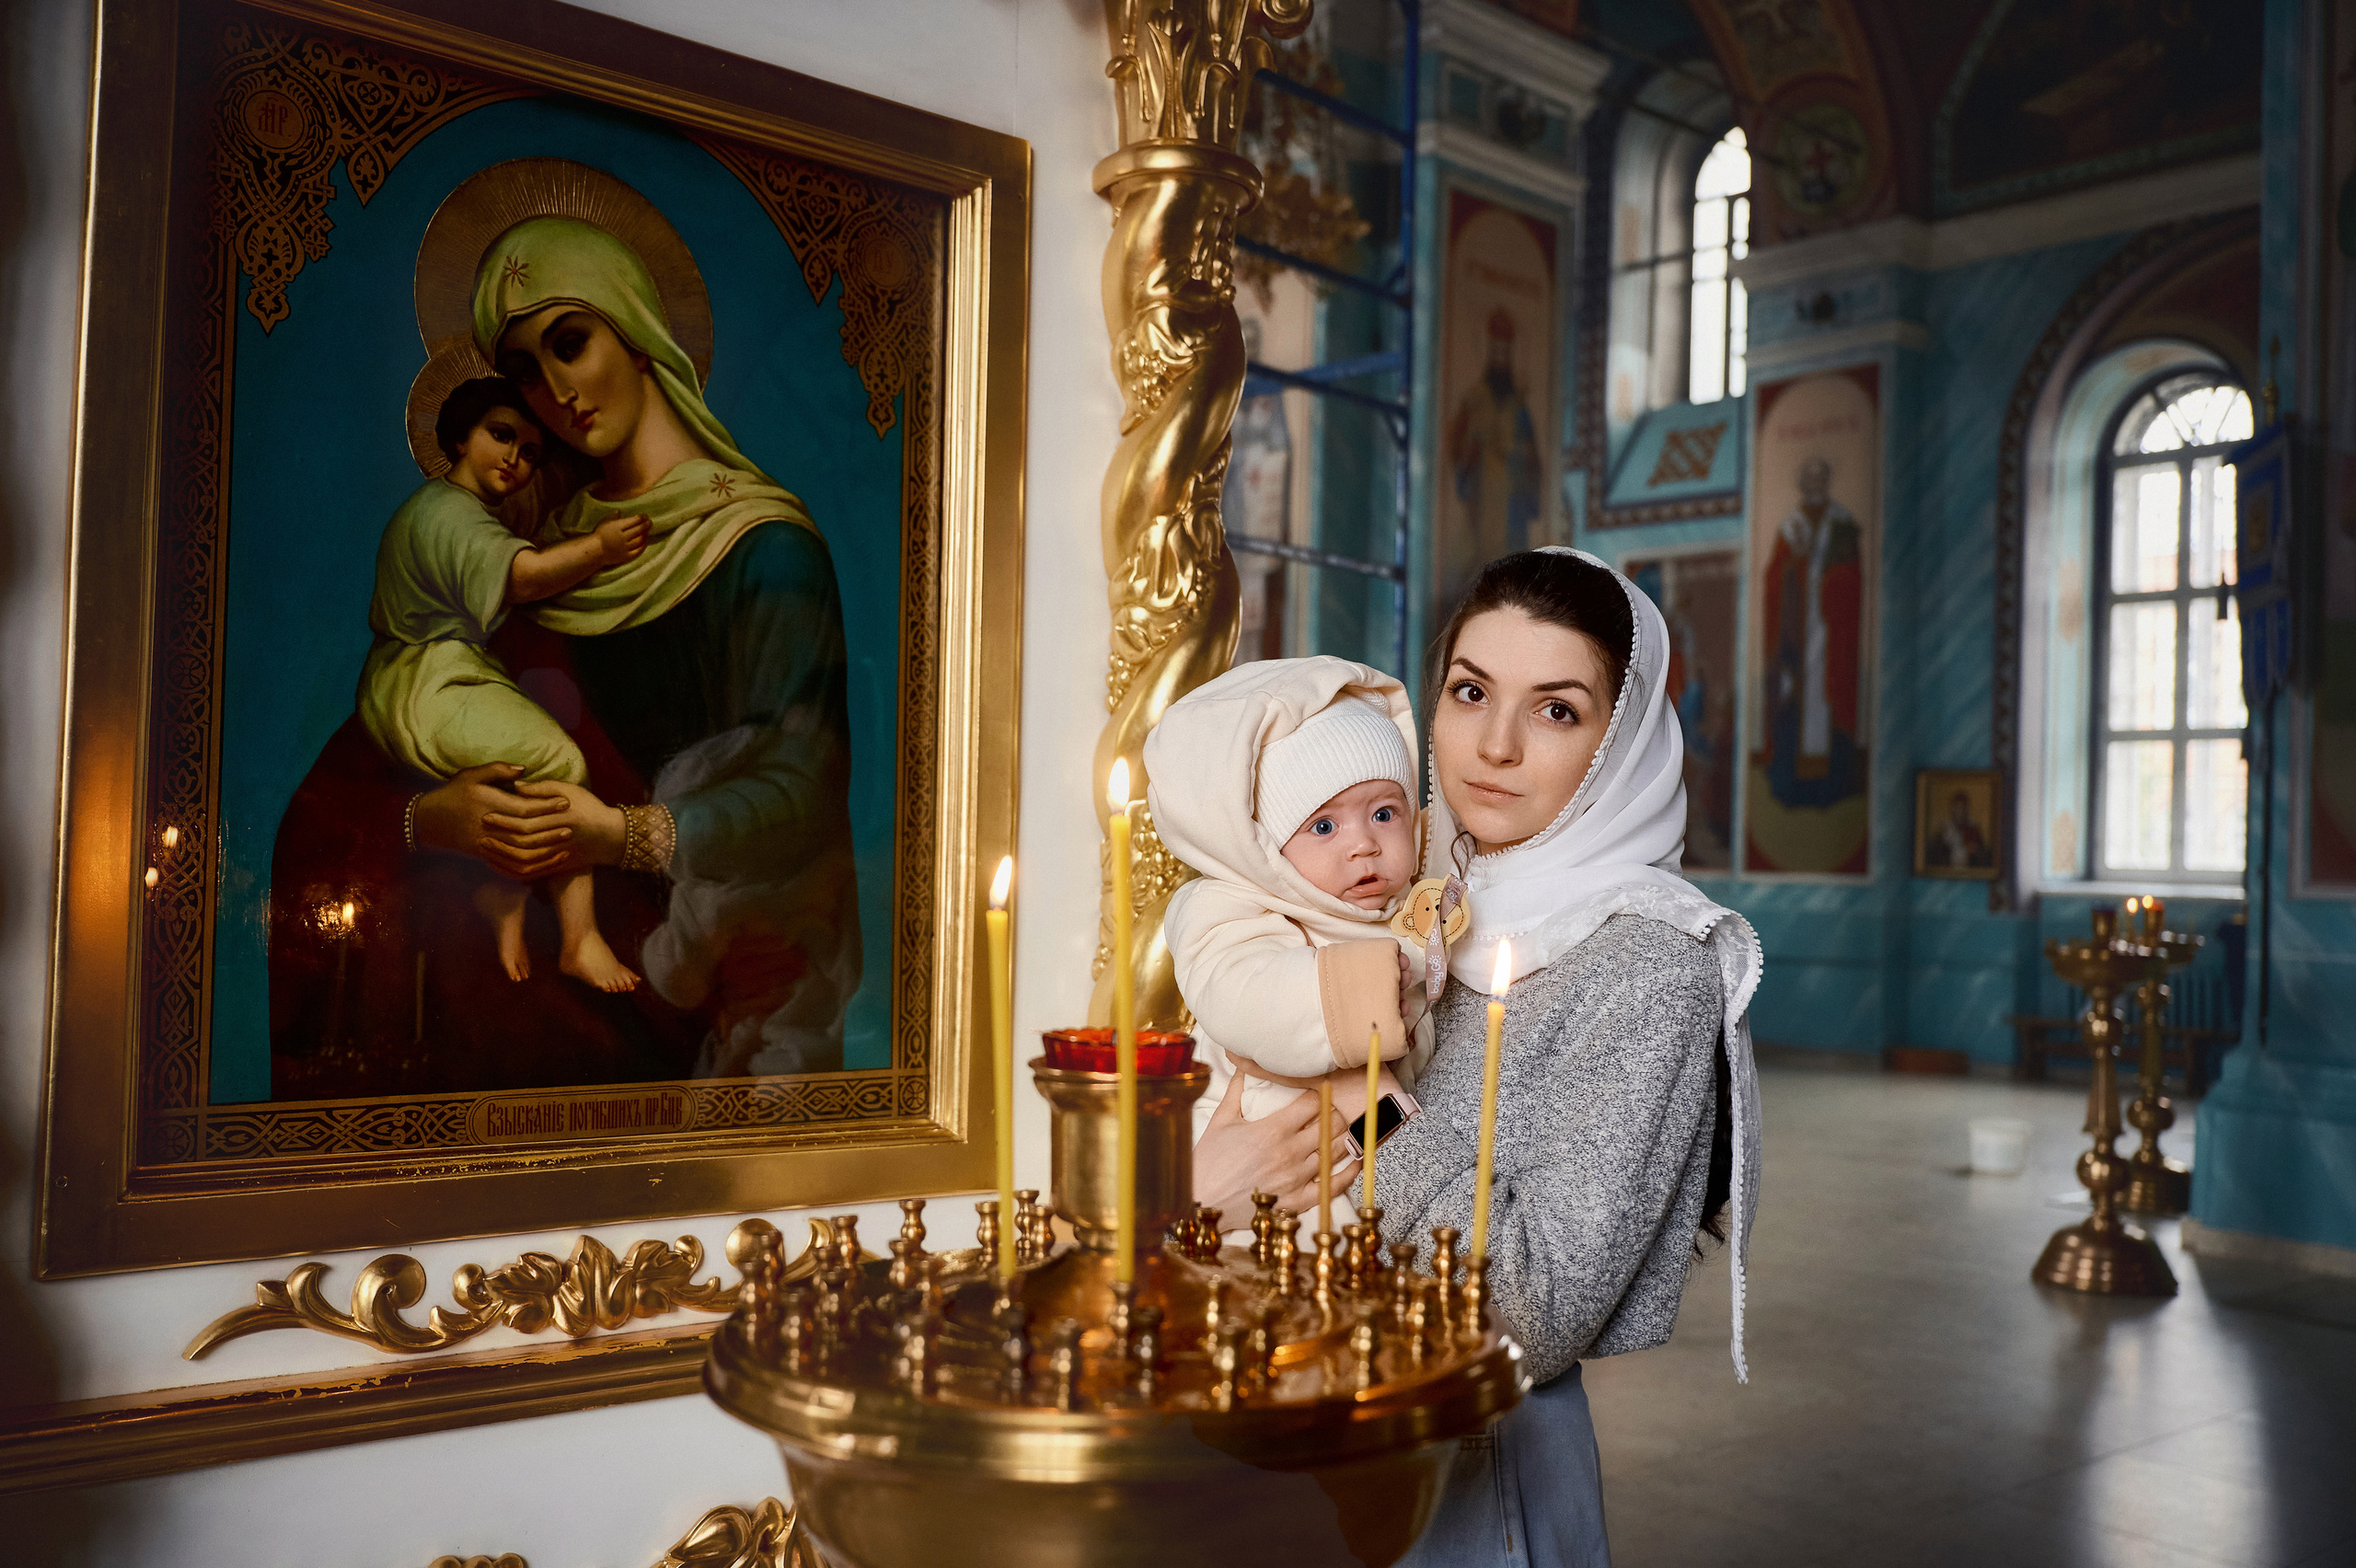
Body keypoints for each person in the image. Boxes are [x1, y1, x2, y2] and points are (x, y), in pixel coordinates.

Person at [268, 213, 858, 1095]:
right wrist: (431, 822)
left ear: (636, 326)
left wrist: (621, 836)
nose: (555, 394)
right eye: (525, 377)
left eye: (571, 344)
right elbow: (348, 792)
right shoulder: (527, 560)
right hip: (485, 1057)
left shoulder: (763, 553)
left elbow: (802, 795)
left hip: (679, 1033)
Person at [1379, 548, 1762, 1565]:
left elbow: (1535, 1309)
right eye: (1470, 692)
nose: (1493, 746)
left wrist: (1361, 1116)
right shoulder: (1405, 890)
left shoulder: (1650, 966)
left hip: (1478, 1477)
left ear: (1620, 744)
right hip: (1322, 1434)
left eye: (1556, 711)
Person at [356, 376, 650, 992]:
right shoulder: (446, 512)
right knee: (556, 758)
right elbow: (526, 577)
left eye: (532, 452)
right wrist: (600, 547)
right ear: (460, 437)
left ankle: (501, 893)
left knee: (515, 771)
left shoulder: (455, 511)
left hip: (436, 675)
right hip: (426, 685)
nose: (516, 458)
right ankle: (578, 940)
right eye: (502, 435)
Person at [1146, 658, 1438, 1221]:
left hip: (1358, 1152)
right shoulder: (1229, 907)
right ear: (1267, 849)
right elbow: (1243, 998)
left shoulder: (1409, 910)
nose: (1364, 846)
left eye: (1384, 813)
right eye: (1324, 826)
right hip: (1245, 1145)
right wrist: (1365, 990)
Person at [1760, 454, 1864, 808]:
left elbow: (1853, 579)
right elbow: (1773, 581)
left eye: (1822, 478)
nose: (1815, 485)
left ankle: (1829, 786)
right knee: (1793, 700)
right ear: (1802, 484)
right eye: (1810, 478)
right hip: (1796, 634)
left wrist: (1830, 582)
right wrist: (1795, 565)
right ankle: (1789, 786)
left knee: (1830, 700)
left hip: (1831, 633)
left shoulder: (1842, 523)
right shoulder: (1790, 528)